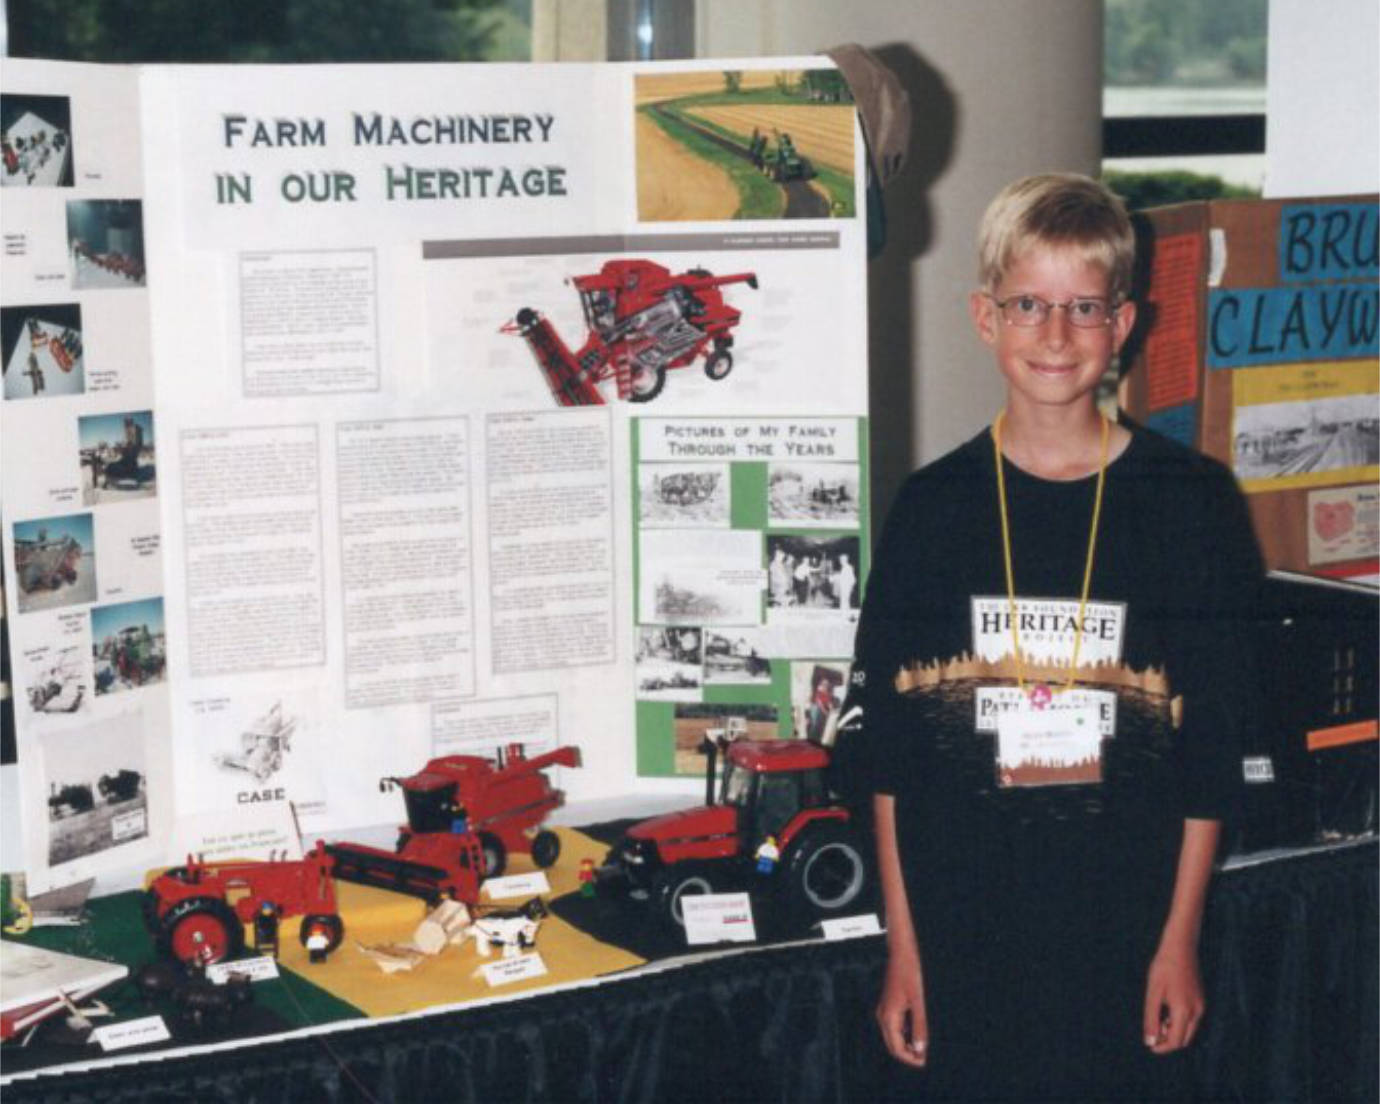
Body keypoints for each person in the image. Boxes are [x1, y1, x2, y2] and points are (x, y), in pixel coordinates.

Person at [840, 173, 1261, 1101]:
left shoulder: (1188, 505)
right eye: (1029, 305)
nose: (1056, 336)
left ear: (1125, 322)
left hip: (1127, 920)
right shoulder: (934, 509)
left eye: (1082, 308)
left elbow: (1211, 748)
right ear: (985, 317)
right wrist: (903, 950)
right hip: (964, 926)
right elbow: (890, 760)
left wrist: (1179, 940)